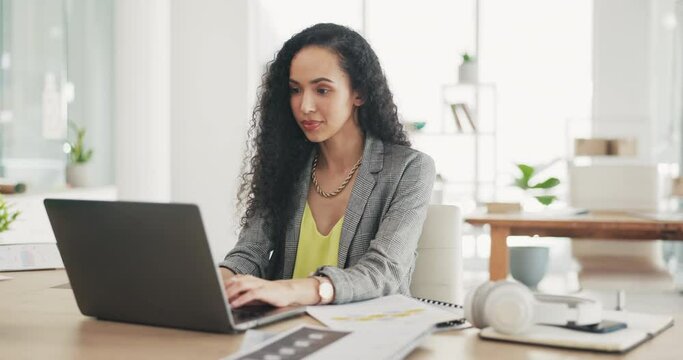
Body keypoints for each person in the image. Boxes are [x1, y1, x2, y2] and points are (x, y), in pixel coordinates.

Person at [219, 23, 435, 308]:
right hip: (283, 329)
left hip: (369, 335)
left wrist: (300, 290)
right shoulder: (286, 166)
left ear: (359, 93)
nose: (305, 105)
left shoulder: (411, 169)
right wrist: (219, 280)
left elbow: (383, 272)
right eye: (295, 90)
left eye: (322, 90)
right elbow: (250, 253)